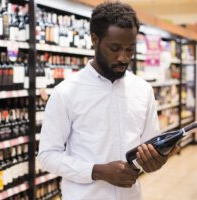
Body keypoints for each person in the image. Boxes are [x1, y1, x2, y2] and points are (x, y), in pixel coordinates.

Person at [38, 2, 179, 200]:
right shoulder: (66, 93)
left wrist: (158, 159)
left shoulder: (143, 90)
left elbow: (149, 147)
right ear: (95, 40)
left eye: (130, 49)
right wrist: (97, 171)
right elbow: (47, 157)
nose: (123, 57)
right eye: (115, 48)